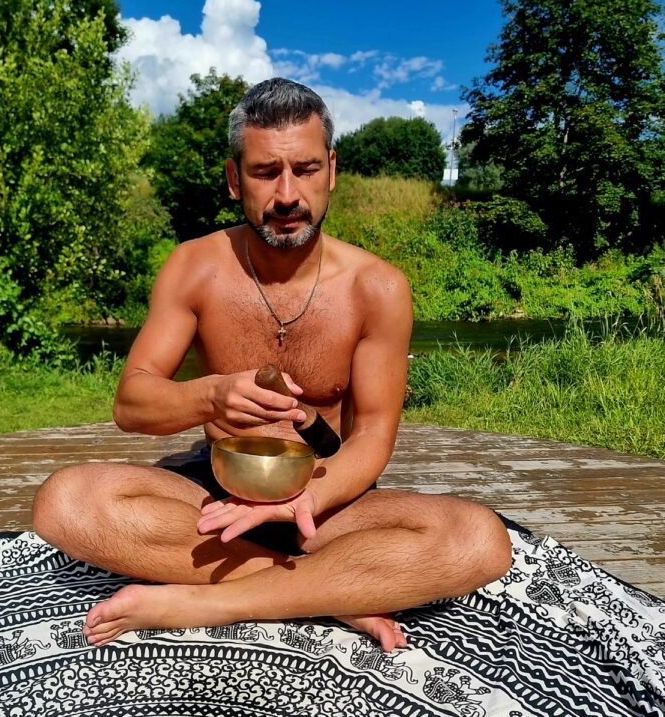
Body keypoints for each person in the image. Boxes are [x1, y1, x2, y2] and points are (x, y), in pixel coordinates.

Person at [32, 78, 512, 653]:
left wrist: (305, 500)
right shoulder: (194, 267)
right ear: (236, 179)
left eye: (306, 169)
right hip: (214, 492)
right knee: (66, 501)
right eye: (266, 172)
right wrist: (208, 398)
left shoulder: (377, 287)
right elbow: (131, 404)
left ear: (331, 170)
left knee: (479, 540)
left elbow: (375, 436)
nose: (288, 193)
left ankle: (203, 601)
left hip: (326, 494)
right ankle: (331, 590)